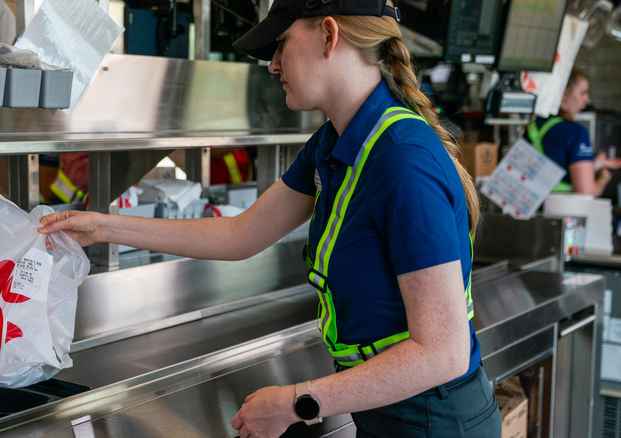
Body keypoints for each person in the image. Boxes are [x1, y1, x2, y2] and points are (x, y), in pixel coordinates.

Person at [39, 0, 501, 436]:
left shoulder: (403, 161)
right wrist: (104, 227)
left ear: (328, 34)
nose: (273, 64)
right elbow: (241, 234)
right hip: (386, 408)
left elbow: (442, 351)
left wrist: (297, 400)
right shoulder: (332, 143)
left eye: (280, 43)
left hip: (433, 417)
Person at [524, 68, 621, 196]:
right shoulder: (576, 133)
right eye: (582, 93)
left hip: (529, 211)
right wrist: (604, 178)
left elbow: (556, 169)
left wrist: (595, 165)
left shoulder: (534, 126)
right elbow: (585, 193)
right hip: (562, 212)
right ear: (564, 94)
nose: (587, 100)